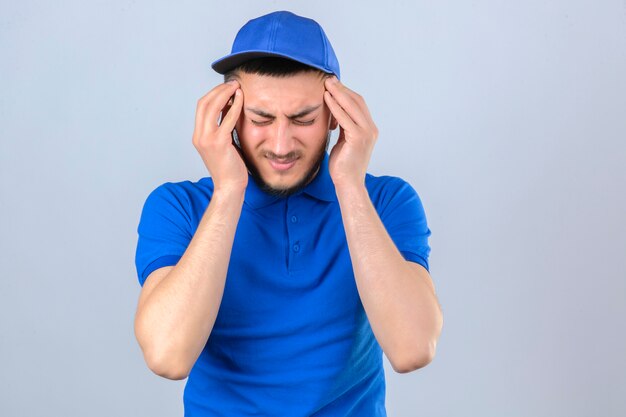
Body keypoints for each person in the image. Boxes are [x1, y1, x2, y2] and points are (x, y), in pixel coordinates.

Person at [134, 10, 443, 416]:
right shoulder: (178, 208)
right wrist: (229, 190)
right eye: (260, 119)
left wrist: (349, 182)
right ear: (227, 116)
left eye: (304, 119)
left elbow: (413, 348)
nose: (281, 145)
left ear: (336, 116)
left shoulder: (386, 202)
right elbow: (167, 356)